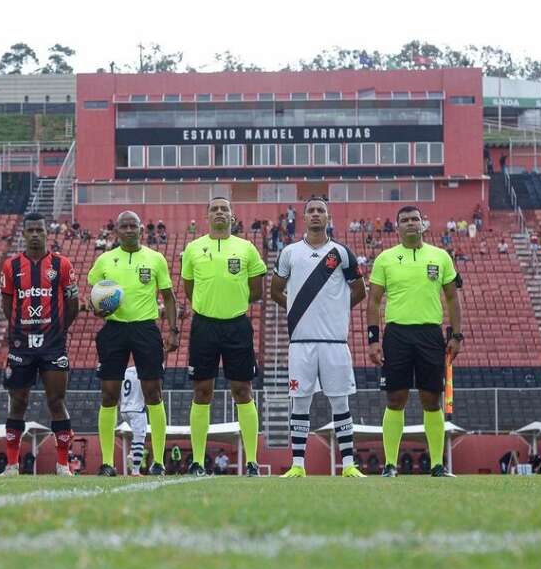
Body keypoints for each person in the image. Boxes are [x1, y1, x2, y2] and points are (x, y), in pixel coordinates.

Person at [270, 197, 366, 478]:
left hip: (335, 343)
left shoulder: (341, 252)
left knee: (341, 403)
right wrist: (297, 310)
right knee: (300, 403)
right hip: (301, 343)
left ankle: (348, 465)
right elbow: (276, 291)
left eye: (320, 211)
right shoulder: (289, 253)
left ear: (328, 216)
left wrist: (336, 311)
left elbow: (359, 291)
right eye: (310, 211)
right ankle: (298, 465)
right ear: (303, 216)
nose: (315, 215)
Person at [367, 205, 462, 478]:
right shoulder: (385, 258)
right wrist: (373, 339)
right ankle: (389, 465)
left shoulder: (440, 257)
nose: (410, 223)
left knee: (432, 399)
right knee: (396, 398)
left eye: (415, 219)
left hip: (430, 334)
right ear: (397, 227)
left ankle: (437, 465)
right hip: (396, 335)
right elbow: (373, 301)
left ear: (423, 224)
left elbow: (453, 298)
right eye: (405, 220)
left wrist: (456, 335)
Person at [87, 211, 177, 477]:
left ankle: (158, 461)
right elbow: (93, 298)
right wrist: (97, 309)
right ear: (116, 231)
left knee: (153, 393)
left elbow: (169, 297)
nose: (128, 230)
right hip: (113, 330)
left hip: (146, 329)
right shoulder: (104, 260)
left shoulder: (155, 258)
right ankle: (106, 463)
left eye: (133, 226)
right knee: (108, 395)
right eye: (123, 226)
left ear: (141, 229)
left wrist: (173, 330)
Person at [181, 197, 266, 477]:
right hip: (204, 327)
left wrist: (231, 304)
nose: (219, 212)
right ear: (207, 216)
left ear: (233, 216)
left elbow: (256, 291)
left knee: (242, 391)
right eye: (214, 209)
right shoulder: (193, 248)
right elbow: (189, 289)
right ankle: (196, 461)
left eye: (224, 209)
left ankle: (252, 462)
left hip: (237, 326)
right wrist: (209, 306)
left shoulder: (247, 248)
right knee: (202, 391)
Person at [0, 212, 80, 477]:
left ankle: (63, 465)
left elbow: (72, 305)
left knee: (56, 401)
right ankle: (12, 466)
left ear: (47, 233)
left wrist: (58, 330)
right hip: (21, 346)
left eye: (40, 230)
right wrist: (19, 329)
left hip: (53, 346)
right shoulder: (11, 266)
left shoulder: (62, 265)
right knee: (18, 402)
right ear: (23, 233)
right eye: (31, 230)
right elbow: (7, 304)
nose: (35, 234)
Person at [120, 365, 147, 476]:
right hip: (136, 409)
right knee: (140, 437)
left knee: (136, 436)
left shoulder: (126, 371)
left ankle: (132, 452)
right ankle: (136, 470)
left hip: (124, 409)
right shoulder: (143, 370)